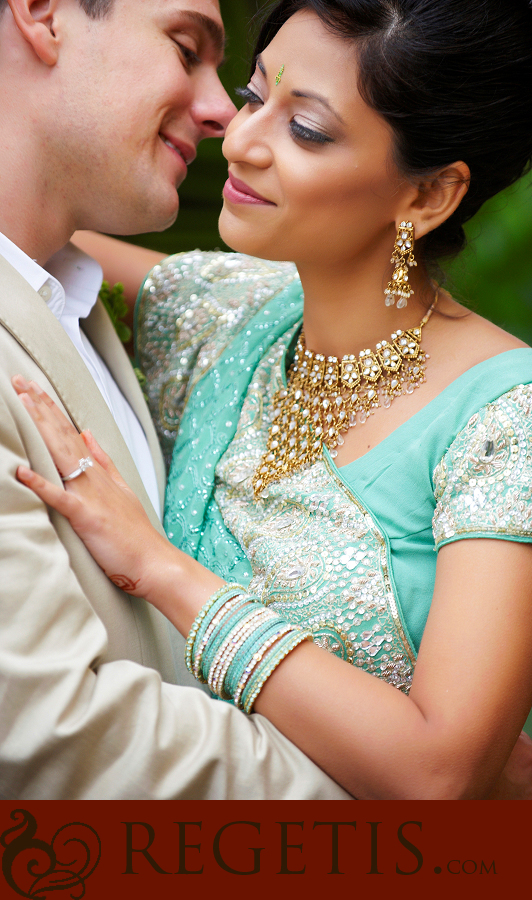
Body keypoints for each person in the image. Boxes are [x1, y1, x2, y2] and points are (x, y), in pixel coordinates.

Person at [15, 0, 532, 799]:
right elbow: (29, 238)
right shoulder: (219, 314)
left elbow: (439, 776)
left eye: (309, 131)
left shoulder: (505, 418)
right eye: (256, 98)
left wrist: (163, 571)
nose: (243, 141)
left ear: (428, 195)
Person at [0, 0, 354, 800]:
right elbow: (53, 733)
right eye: (185, 47)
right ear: (44, 13)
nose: (224, 110)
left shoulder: (92, 309)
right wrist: (401, 787)